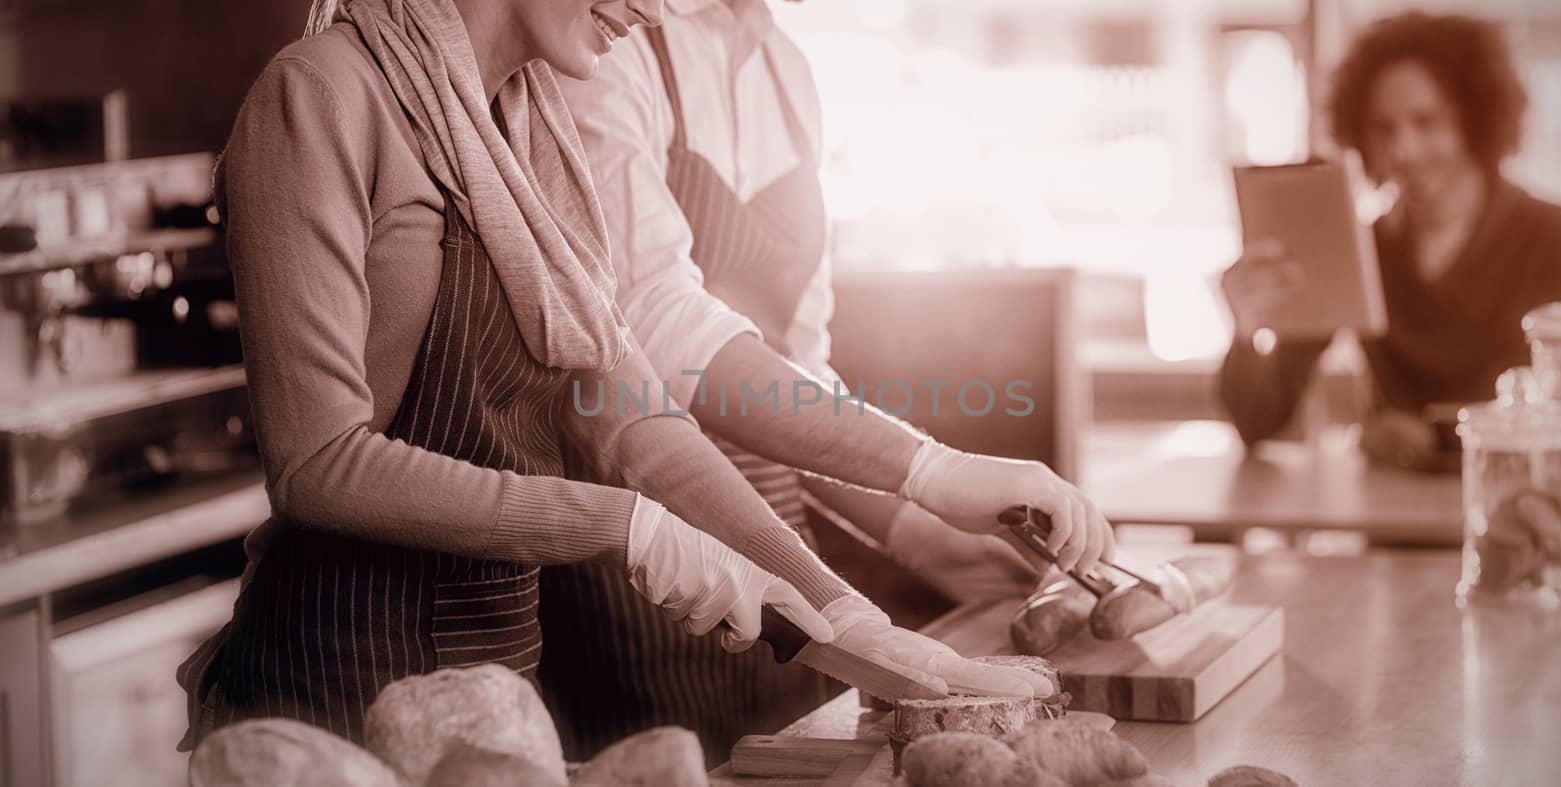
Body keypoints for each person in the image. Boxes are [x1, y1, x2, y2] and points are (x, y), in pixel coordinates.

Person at [176, 0, 1056, 753]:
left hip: (500, 691)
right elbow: (318, 463)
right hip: (336, 683)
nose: (661, 6)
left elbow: (638, 422)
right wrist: (622, 527)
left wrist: (848, 614)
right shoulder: (321, 94)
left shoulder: (531, 131)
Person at [544, 0, 1115, 762]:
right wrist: (933, 471)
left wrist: (914, 532)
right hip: (651, 565)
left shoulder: (789, 74)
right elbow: (654, 323)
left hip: (790, 554)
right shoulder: (603, 39)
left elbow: (797, 369)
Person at [1218, 11, 1561, 467]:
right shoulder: (1362, 252)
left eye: (1427, 122)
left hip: (1523, 513)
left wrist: (1438, 439)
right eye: (1384, 129)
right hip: (1393, 522)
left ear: (1475, 125)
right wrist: (1245, 330)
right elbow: (1258, 421)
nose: (1404, 150)